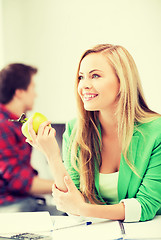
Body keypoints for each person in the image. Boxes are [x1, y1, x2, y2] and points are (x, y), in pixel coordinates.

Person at [27, 44, 161, 222]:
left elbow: (146, 206)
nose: (84, 85)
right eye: (81, 77)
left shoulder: (156, 131)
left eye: (95, 76)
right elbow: (72, 210)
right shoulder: (75, 130)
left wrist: (83, 208)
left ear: (123, 81)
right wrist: (51, 155)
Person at [0, 63, 65, 215]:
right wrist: (69, 185)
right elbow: (19, 182)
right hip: (9, 205)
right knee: (66, 216)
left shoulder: (16, 124)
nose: (35, 94)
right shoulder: (3, 126)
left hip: (21, 201)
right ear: (20, 92)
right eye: (32, 87)